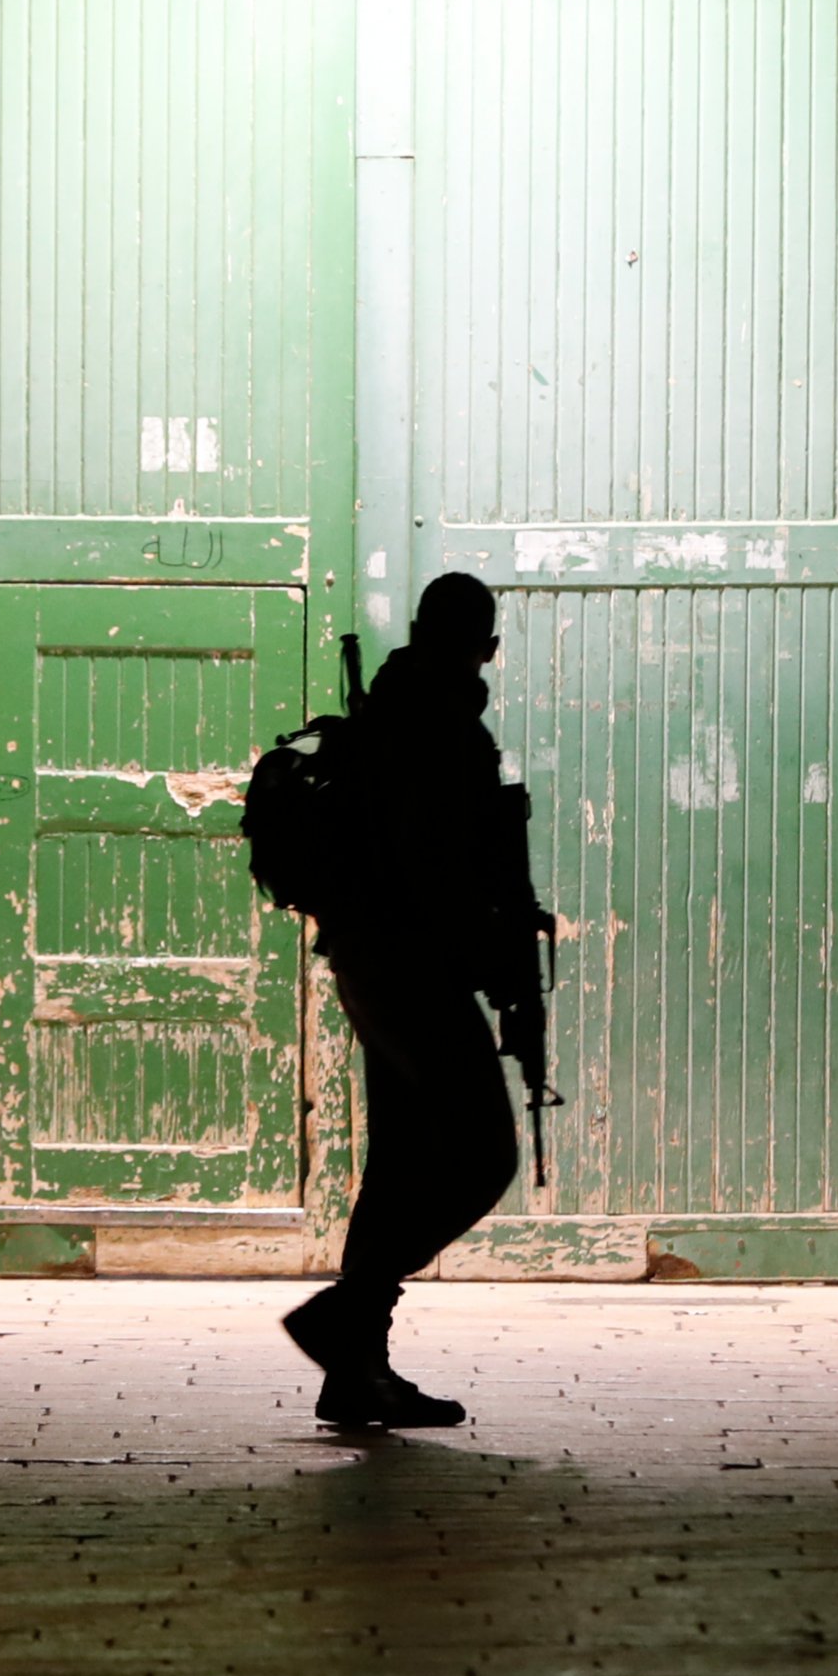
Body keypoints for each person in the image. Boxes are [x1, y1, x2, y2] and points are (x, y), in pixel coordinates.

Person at [279, 571, 546, 1431]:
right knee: (483, 1154)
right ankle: (350, 1313)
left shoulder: (391, 714)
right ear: (487, 648)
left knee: (399, 1163)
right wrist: (500, 965)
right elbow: (450, 876)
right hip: (414, 968)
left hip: (372, 961)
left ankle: (356, 1371)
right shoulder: (443, 731)